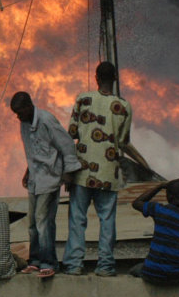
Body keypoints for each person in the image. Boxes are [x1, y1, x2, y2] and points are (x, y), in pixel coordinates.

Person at [63, 61, 148, 276]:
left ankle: (74, 265)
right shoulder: (124, 107)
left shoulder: (83, 99)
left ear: (96, 77)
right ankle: (106, 266)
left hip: (82, 171)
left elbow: (72, 132)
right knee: (107, 220)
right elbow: (122, 140)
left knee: (77, 219)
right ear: (116, 78)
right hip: (109, 173)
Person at [10, 91, 80, 278]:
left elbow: (66, 145)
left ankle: (49, 262)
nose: (18, 116)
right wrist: (27, 171)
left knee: (44, 221)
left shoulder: (47, 120)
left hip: (49, 178)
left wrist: (68, 173)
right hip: (35, 179)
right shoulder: (24, 124)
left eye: (19, 112)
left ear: (28, 107)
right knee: (33, 222)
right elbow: (34, 151)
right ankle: (35, 260)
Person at [129, 174, 179, 285]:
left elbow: (136, 203)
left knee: (135, 269)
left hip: (151, 274)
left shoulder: (159, 210)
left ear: (169, 196)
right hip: (175, 277)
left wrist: (159, 187)